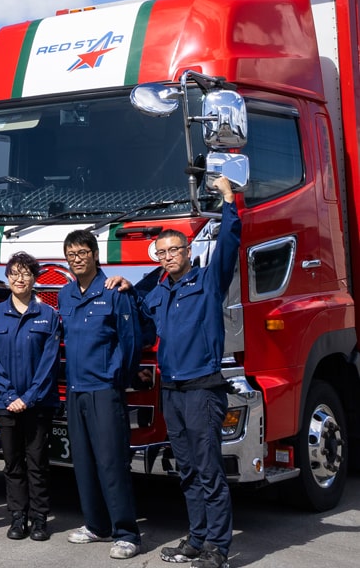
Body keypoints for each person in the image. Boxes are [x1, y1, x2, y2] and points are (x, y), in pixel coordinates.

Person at [142, 176, 239, 568]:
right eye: (161, 253)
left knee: (209, 470)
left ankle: (219, 548)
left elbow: (229, 245)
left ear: (187, 251)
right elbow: (134, 318)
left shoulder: (208, 281)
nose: (168, 257)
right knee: (186, 471)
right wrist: (119, 285)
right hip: (172, 392)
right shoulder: (158, 292)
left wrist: (229, 201)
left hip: (202, 389)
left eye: (174, 250)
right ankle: (197, 539)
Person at [59, 230, 143, 560]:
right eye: (71, 254)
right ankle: (96, 525)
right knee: (82, 462)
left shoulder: (113, 291)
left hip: (105, 389)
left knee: (112, 463)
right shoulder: (65, 294)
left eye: (82, 252)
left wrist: (117, 377)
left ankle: (127, 533)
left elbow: (131, 341)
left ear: (95, 255)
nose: (76, 259)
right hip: (76, 390)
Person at [0, 252, 59, 542]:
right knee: (12, 463)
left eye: (26, 273)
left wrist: (28, 397)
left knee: (37, 463)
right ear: (7, 278)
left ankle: (39, 518)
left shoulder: (48, 315)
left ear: (34, 278)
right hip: (5, 403)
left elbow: (49, 364)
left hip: (38, 403)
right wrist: (9, 396)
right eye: (14, 273)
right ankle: (18, 516)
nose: (20, 279)